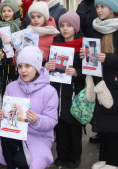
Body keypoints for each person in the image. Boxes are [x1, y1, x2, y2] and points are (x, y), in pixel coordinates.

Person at [79, 0, 118, 169]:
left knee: (115, 124)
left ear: (113, 9)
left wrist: (107, 58)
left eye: (103, 7)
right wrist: (85, 55)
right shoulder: (96, 28)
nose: (99, 10)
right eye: (98, 7)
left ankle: (117, 162)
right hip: (100, 81)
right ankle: (105, 159)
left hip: (116, 83)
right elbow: (92, 54)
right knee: (104, 123)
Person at [0, 46, 58, 169]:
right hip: (14, 134)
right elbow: (5, 118)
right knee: (5, 137)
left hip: (38, 136)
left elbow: (52, 121)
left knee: (23, 161)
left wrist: (37, 120)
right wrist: (0, 117)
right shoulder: (11, 87)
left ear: (37, 67)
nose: (23, 70)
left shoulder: (50, 91)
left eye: (28, 66)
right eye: (20, 66)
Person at [45, 11, 84, 168]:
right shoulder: (56, 43)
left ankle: (75, 157)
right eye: (62, 25)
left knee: (73, 125)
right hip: (58, 91)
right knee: (60, 125)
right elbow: (50, 65)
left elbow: (89, 70)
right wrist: (47, 67)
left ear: (76, 27)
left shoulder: (82, 46)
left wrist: (77, 73)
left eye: (69, 26)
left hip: (74, 91)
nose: (65, 29)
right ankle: (62, 155)